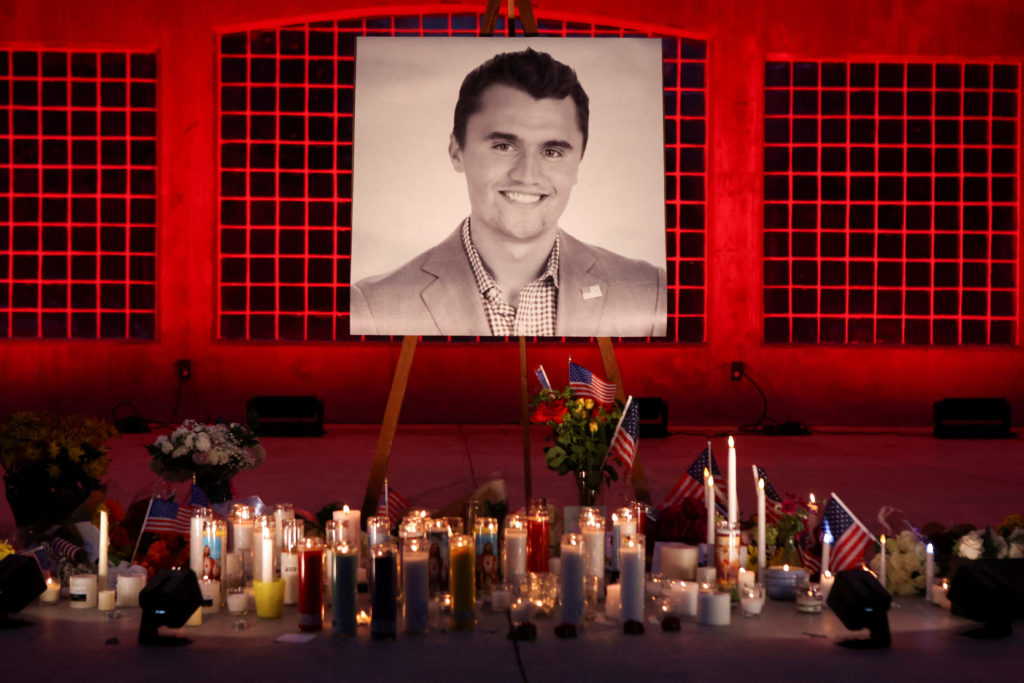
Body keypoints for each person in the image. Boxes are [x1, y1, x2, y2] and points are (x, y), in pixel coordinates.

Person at [351, 48, 666, 337]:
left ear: (578, 162)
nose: (527, 175)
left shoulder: (651, 294)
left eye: (553, 151)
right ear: (457, 151)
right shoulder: (373, 308)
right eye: (504, 146)